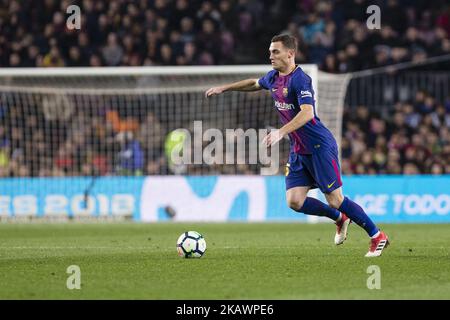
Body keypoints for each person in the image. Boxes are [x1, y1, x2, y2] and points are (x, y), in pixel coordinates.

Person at [205, 34, 389, 257]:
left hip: (319, 146)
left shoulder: (300, 79)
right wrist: (224, 88)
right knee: (294, 201)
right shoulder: (274, 77)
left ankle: (376, 235)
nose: (270, 55)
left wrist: (281, 132)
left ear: (290, 53)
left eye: (275, 51)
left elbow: (307, 113)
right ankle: (339, 218)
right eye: (270, 51)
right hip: (299, 149)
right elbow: (254, 83)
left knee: (335, 199)